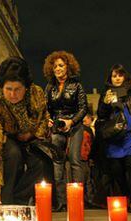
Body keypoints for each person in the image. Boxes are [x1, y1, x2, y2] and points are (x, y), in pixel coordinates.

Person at [0, 57, 51, 205]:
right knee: (13, 155)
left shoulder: (36, 94)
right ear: (1, 87)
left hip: (31, 138)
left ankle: (19, 201)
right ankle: (3, 202)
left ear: (26, 87)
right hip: (7, 138)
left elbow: (44, 119)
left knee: (41, 162)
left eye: (17, 89)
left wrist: (32, 134)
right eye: (8, 89)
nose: (13, 95)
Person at [97, 64, 131, 213]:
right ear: (110, 78)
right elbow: (101, 115)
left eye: (120, 75)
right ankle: (125, 196)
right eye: (114, 75)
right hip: (114, 135)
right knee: (117, 169)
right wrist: (105, 104)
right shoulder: (106, 93)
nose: (117, 78)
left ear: (124, 76)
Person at [43, 51, 88, 212]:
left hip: (75, 125)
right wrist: (48, 118)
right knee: (57, 163)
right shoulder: (49, 87)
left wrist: (72, 121)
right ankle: (61, 202)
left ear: (68, 67)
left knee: (75, 161)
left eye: (61, 65)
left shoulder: (77, 85)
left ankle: (77, 201)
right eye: (55, 66)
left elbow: (84, 108)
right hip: (56, 126)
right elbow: (45, 108)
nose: (58, 68)